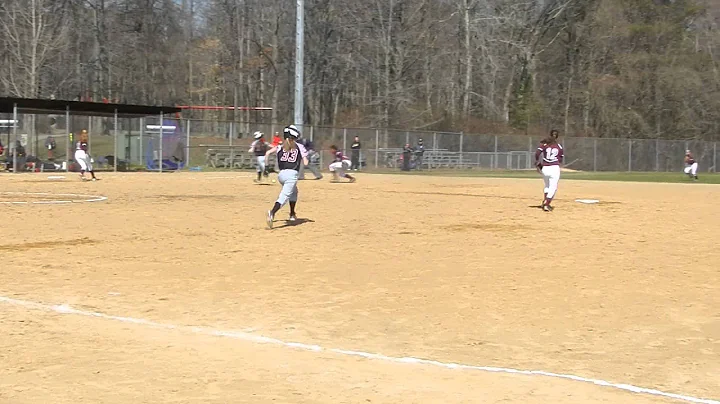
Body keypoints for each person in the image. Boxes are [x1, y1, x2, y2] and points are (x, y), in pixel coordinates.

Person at [264, 125, 309, 229]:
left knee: (294, 191)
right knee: (284, 196)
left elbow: (267, 153)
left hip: (281, 175)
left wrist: (266, 167)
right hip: (291, 175)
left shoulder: (280, 146)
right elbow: (306, 163)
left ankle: (292, 214)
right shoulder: (299, 146)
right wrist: (303, 159)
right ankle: (272, 212)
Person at [535, 129, 563, 212]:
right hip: (554, 167)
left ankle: (545, 201)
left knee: (547, 186)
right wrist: (558, 162)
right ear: (557, 136)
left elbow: (537, 153)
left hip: (545, 168)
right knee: (553, 187)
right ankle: (547, 204)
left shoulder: (544, 144)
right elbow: (560, 158)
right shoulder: (559, 146)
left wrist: (537, 162)